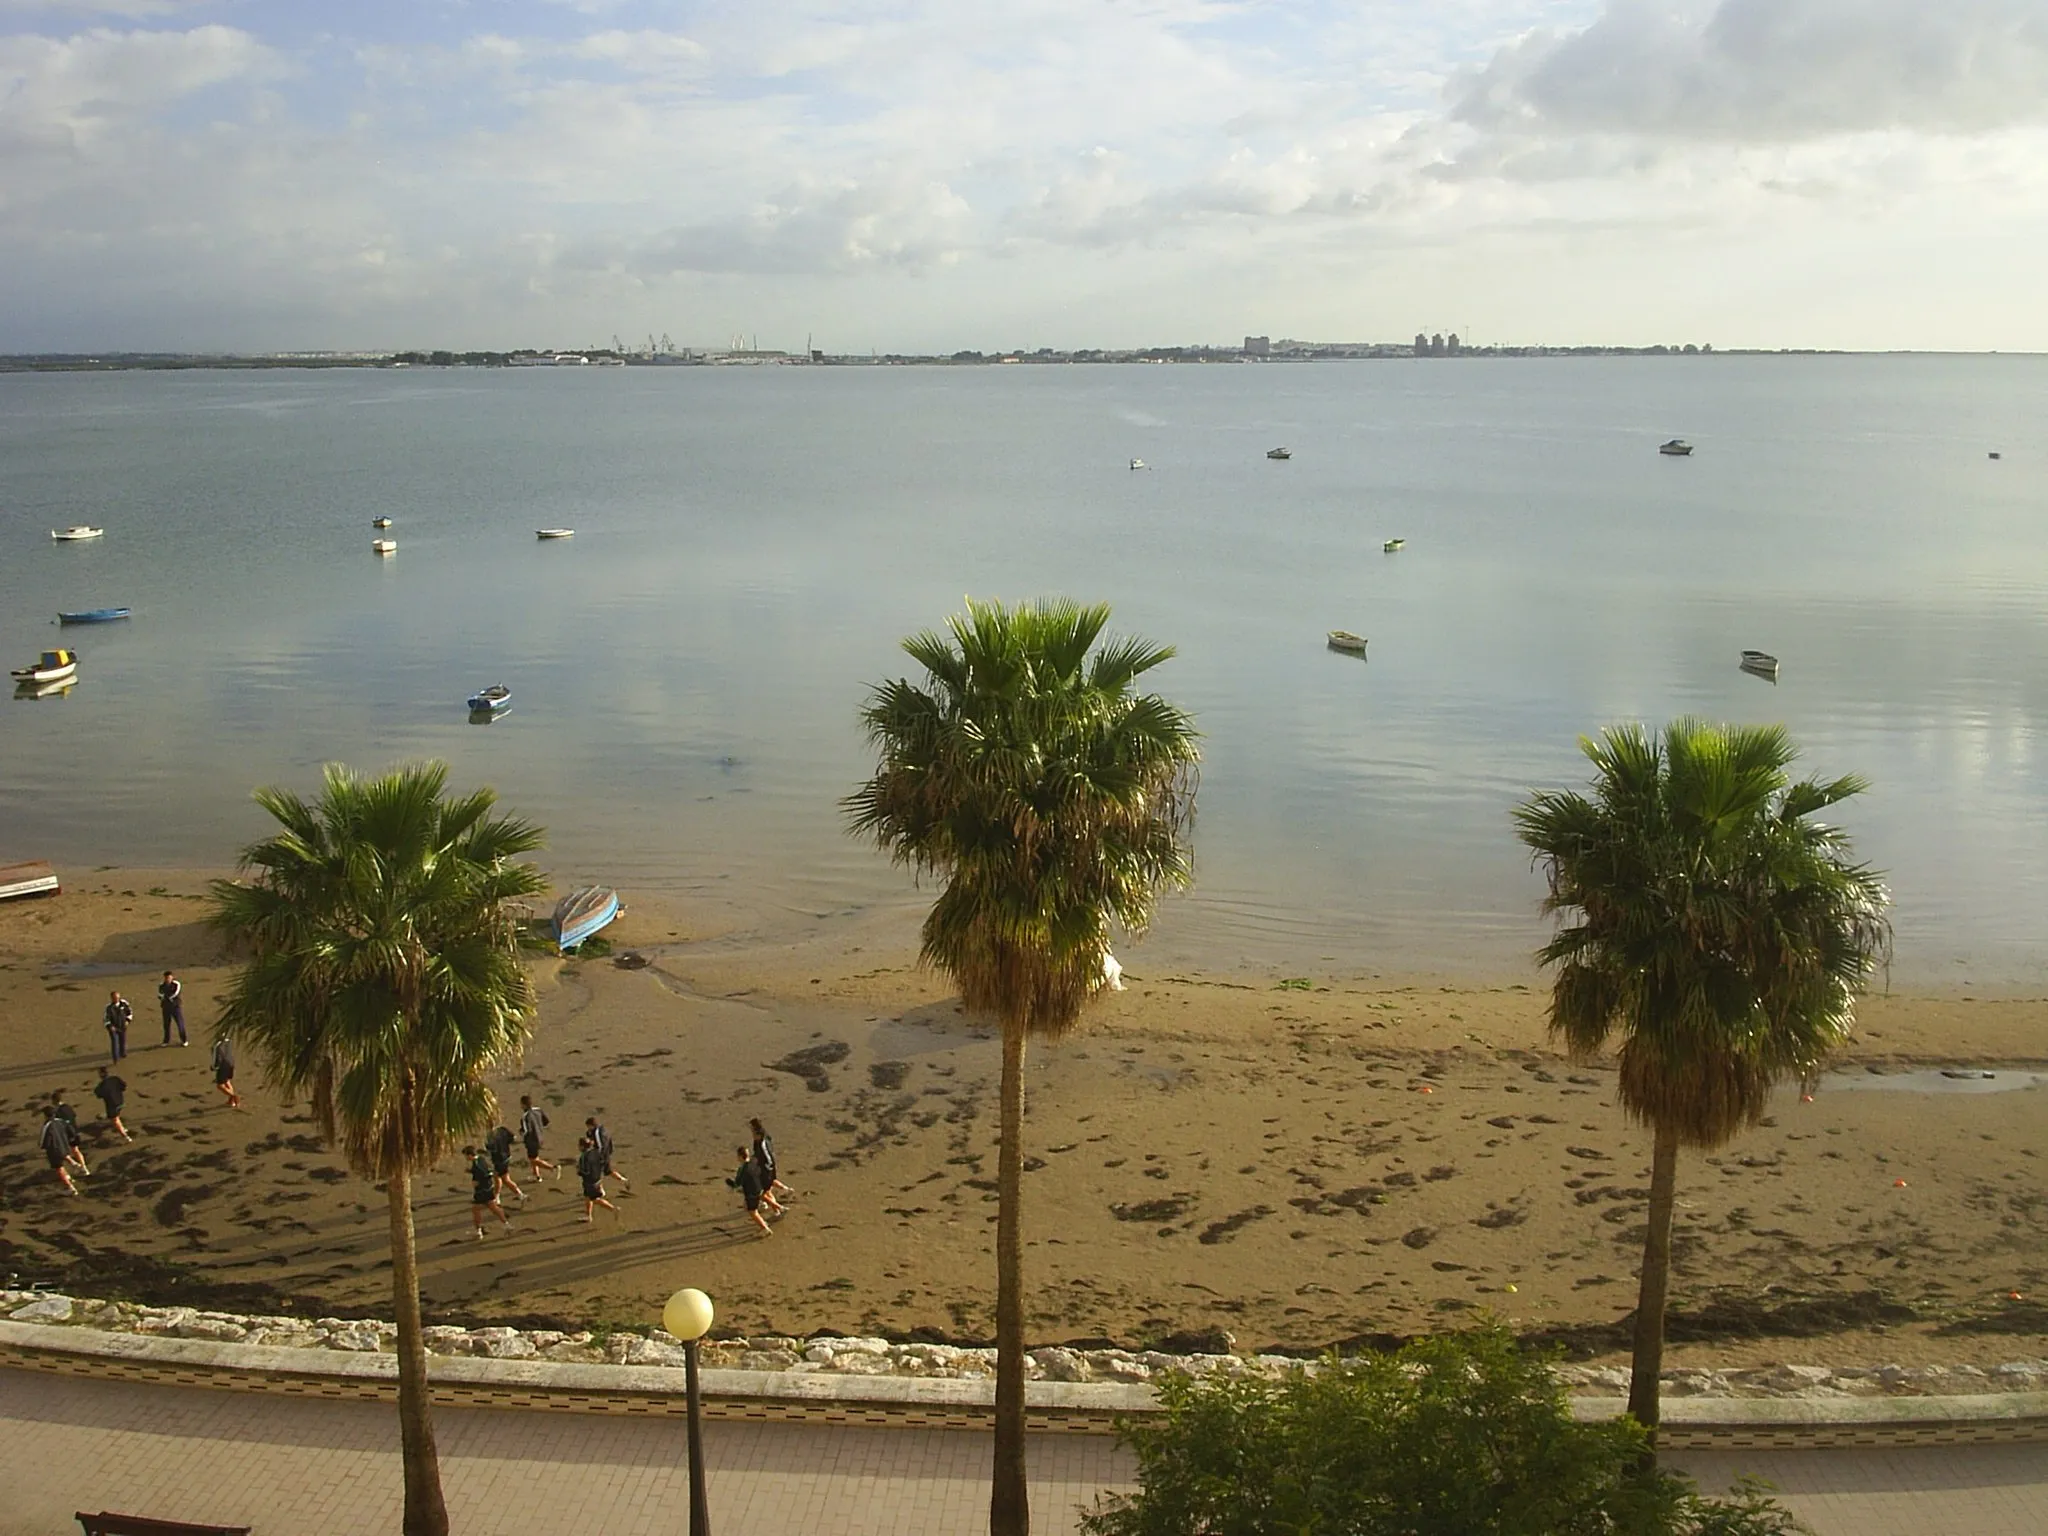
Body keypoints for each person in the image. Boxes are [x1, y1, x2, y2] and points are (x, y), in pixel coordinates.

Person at [727, 1144, 782, 1236]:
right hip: (759, 1187)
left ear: (740, 1157)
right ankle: (779, 1207)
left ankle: (765, 1228)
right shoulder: (754, 1162)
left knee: (752, 1212)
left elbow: (737, 1184)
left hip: (751, 1193)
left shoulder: (742, 1169)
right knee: (761, 1198)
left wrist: (729, 1182)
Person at [466, 1145, 512, 1237]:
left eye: (466, 1156)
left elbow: (477, 1180)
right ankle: (507, 1225)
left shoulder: (476, 1166)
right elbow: (487, 1171)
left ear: (470, 1155)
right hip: (489, 1188)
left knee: (476, 1209)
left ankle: (478, 1231)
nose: (466, 1158)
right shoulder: (481, 1159)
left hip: (481, 1191)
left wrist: (475, 1182)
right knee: (494, 1208)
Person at [40, 1105, 86, 1193]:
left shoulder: (47, 1125)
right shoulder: (61, 1121)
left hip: (54, 1150)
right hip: (64, 1145)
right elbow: (70, 1130)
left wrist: (44, 1147)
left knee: (59, 1168)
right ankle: (74, 1164)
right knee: (64, 1155)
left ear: (45, 1115)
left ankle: (70, 1188)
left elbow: (43, 1142)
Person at [749, 1117, 795, 1203]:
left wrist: (767, 1168)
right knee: (772, 1181)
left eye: (752, 1131)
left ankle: (775, 1207)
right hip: (766, 1167)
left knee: (765, 1191)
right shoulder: (763, 1138)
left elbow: (767, 1156)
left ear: (757, 1133)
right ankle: (786, 1190)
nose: (752, 1133)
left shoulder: (762, 1144)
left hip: (766, 1168)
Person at [575, 1135, 618, 1222]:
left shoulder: (583, 1157)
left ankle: (613, 1209)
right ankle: (588, 1216)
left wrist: (578, 1170)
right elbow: (602, 1163)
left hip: (589, 1182)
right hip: (598, 1178)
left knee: (594, 1199)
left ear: (582, 1146)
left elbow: (584, 1171)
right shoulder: (595, 1152)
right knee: (587, 1197)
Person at [518, 1094, 557, 1181]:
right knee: (535, 1157)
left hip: (531, 1141)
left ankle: (552, 1167)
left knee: (532, 1160)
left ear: (523, 1105)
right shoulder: (538, 1110)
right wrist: (538, 1127)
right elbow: (546, 1122)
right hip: (540, 1137)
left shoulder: (525, 1117)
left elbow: (526, 1131)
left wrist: (521, 1132)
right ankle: (537, 1176)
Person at [585, 1115, 629, 1188]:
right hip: (607, 1154)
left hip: (602, 1156)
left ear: (591, 1125)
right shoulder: (602, 1129)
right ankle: (623, 1180)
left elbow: (600, 1146)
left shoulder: (597, 1133)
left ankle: (599, 1190)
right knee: (608, 1171)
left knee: (596, 1173)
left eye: (588, 1126)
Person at [485, 1123, 524, 1204]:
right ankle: (499, 1196)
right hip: (506, 1156)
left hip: (498, 1160)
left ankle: (517, 1194)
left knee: (503, 1179)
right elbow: (513, 1138)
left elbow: (492, 1149)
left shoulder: (490, 1135)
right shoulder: (502, 1129)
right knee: (501, 1178)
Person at [92, 1066, 133, 1142]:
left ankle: (125, 1136)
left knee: (115, 1120)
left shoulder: (101, 1086)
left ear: (100, 1075)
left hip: (111, 1106)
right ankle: (122, 1128)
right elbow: (124, 1086)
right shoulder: (115, 1079)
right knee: (117, 1116)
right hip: (120, 1101)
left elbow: (98, 1095)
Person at [158, 970, 188, 1046]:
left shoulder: (176, 984)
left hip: (175, 1007)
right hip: (165, 1007)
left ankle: (184, 1040)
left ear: (172, 977)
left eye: (169, 977)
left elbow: (175, 993)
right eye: (166, 977)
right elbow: (159, 995)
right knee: (166, 1025)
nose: (167, 979)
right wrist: (165, 997)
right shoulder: (161, 985)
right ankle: (166, 1040)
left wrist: (167, 997)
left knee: (180, 1024)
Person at [211, 1035, 242, 1109]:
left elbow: (216, 1058)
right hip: (231, 1063)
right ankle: (231, 1102)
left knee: (220, 1085)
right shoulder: (229, 1041)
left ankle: (234, 1096)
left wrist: (213, 1067)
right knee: (227, 1081)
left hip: (223, 1066)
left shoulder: (216, 1046)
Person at [103, 991, 132, 1063]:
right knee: (114, 1042)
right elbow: (106, 1019)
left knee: (122, 1040)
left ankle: (123, 1053)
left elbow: (129, 1012)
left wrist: (127, 1021)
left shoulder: (124, 1004)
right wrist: (110, 1026)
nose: (116, 999)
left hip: (122, 1026)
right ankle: (115, 1058)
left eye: (117, 998)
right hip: (113, 1028)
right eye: (114, 998)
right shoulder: (109, 1008)